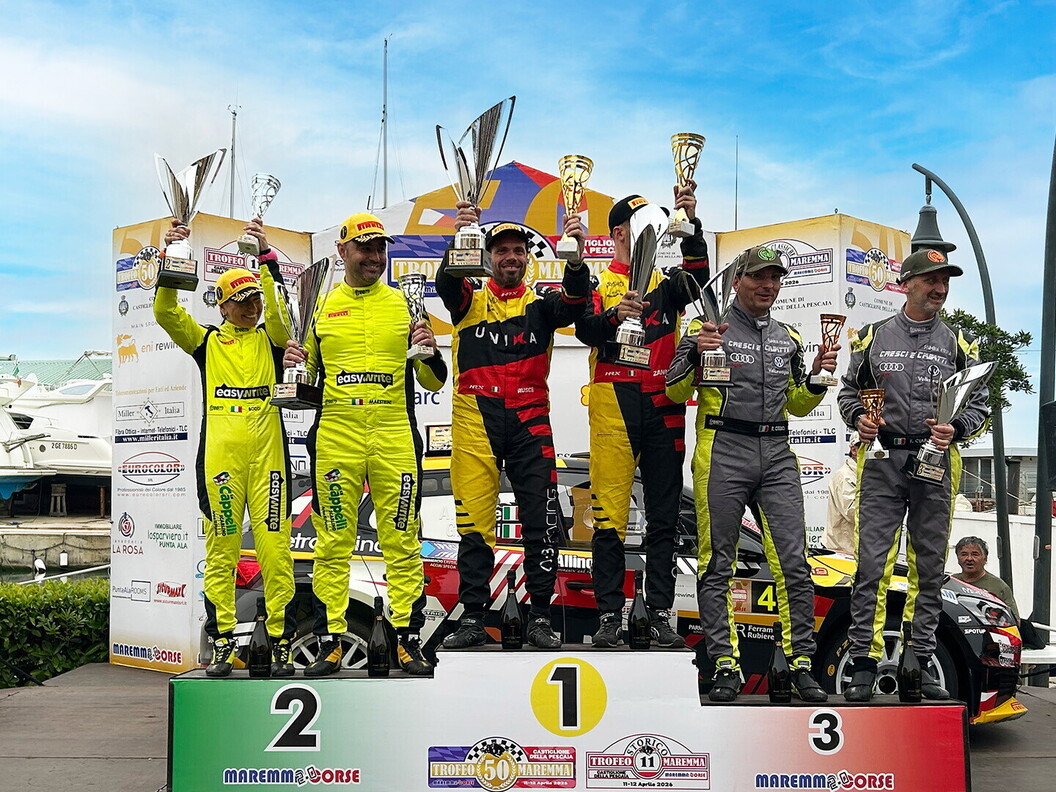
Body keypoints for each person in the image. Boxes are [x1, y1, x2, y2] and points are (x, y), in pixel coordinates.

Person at [667, 245, 837, 703]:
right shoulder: (707, 327)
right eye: (759, 277)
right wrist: (700, 356)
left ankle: (801, 664)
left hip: (777, 449)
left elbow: (799, 404)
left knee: (794, 564)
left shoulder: (788, 338)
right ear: (737, 280)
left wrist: (818, 377)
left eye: (775, 278)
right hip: (723, 446)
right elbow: (673, 388)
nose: (768, 285)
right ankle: (725, 664)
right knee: (717, 563)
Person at [283, 212, 447, 676]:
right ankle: (332, 639)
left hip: (394, 432)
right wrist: (295, 361)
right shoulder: (319, 307)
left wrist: (431, 352)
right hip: (337, 432)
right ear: (343, 252)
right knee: (333, 541)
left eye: (380, 248)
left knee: (402, 540)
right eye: (365, 248)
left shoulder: (404, 305)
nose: (374, 256)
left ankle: (406, 640)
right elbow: (304, 384)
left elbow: (435, 378)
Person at [837, 247, 989, 702]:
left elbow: (978, 405)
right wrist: (857, 420)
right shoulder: (872, 337)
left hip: (937, 464)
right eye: (931, 281)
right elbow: (849, 393)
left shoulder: (960, 344)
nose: (940, 289)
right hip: (882, 463)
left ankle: (916, 664)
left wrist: (956, 427)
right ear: (908, 283)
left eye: (945, 282)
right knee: (871, 566)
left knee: (928, 569)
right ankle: (863, 662)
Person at [439, 204, 589, 650]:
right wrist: (461, 233)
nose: (510, 256)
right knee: (474, 526)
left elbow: (576, 303)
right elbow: (447, 278)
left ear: (528, 258)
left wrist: (577, 259)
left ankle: (540, 617)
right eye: (501, 250)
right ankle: (472, 618)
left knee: (541, 524)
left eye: (518, 250)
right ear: (487, 259)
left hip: (529, 421)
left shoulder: (542, 307)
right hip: (474, 421)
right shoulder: (467, 300)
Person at [155, 218, 295, 677]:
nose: (252, 306)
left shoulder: (273, 342)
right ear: (224, 305)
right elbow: (166, 314)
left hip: (269, 462)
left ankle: (279, 641)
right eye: (243, 300)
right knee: (223, 552)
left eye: (255, 298)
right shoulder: (207, 342)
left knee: (276, 552)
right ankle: (222, 642)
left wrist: (267, 263)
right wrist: (171, 262)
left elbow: (280, 317)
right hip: (220, 461)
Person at [574, 189, 710, 648]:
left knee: (664, 519)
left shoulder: (669, 282)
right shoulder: (598, 284)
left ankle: (658, 614)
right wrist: (615, 315)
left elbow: (701, 281)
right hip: (612, 406)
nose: (652, 232)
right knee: (609, 518)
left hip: (663, 406)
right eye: (643, 225)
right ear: (619, 232)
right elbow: (584, 329)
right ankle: (610, 615)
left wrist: (691, 228)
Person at [952, 536, 1019, 621]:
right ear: (958, 558)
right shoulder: (950, 583)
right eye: (964, 554)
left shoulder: (999, 587)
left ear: (985, 558)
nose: (969, 558)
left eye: (975, 554)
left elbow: (1015, 621)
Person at [822, 432, 863, 555]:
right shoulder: (845, 476)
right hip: (841, 550)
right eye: (866, 447)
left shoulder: (864, 474)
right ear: (854, 450)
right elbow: (853, 512)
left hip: (853, 549)